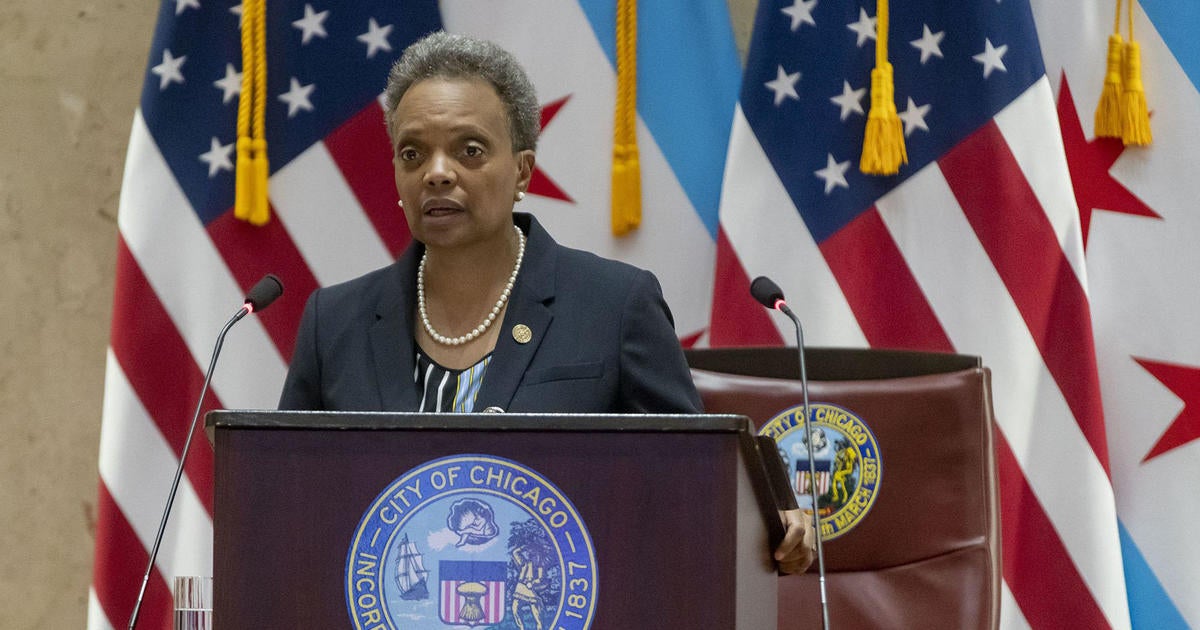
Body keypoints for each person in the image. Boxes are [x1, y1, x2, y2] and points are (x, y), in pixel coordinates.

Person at [277, 30, 813, 573]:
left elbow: (696, 484)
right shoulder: (334, 322)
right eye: (412, 153)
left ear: (523, 172)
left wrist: (768, 521)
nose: (437, 172)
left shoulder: (616, 306)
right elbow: (282, 499)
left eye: (470, 150)